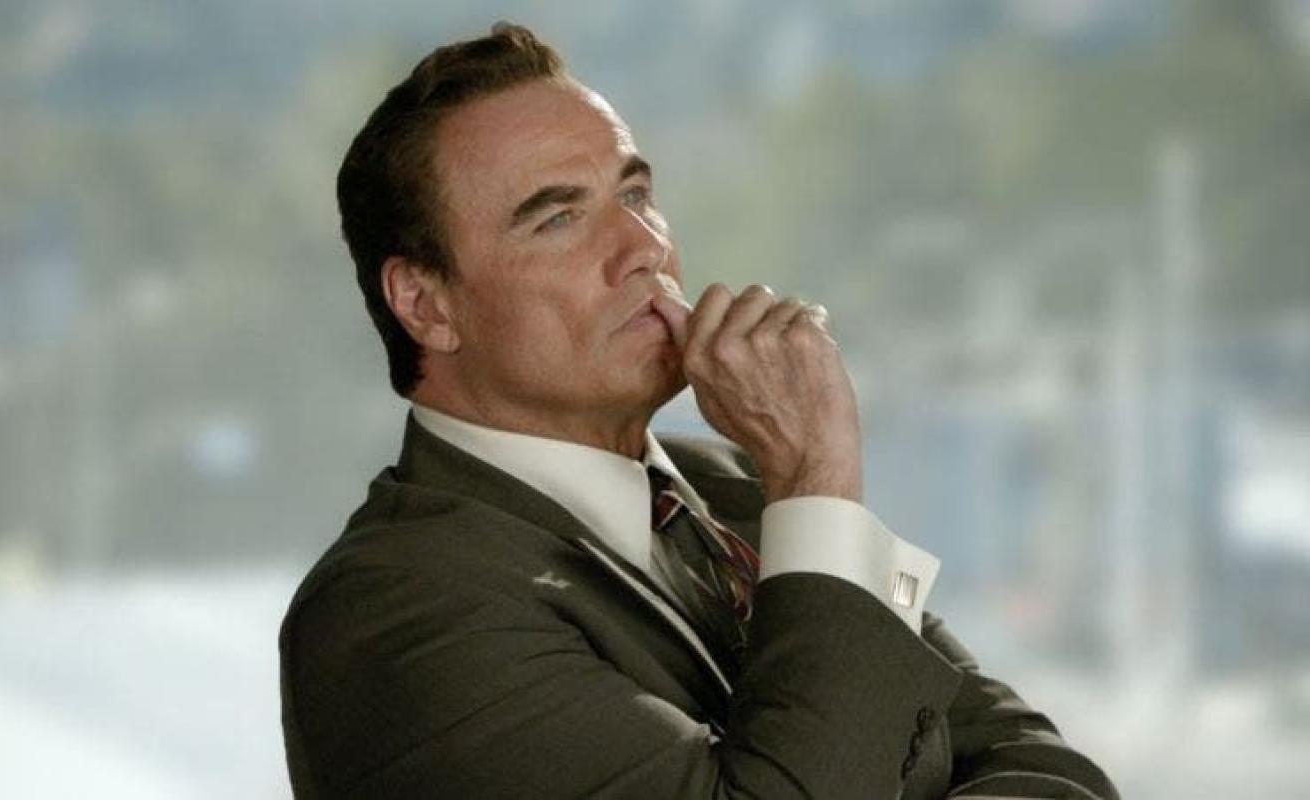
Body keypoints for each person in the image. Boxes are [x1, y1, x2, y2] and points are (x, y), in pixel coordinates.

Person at [279, 22, 1119, 800]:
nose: (644, 247)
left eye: (634, 195)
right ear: (425, 304)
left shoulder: (740, 487)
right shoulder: (390, 610)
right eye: (559, 218)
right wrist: (817, 478)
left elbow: (1053, 776)